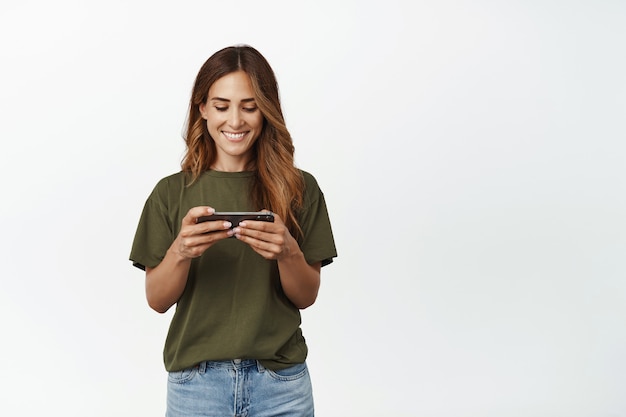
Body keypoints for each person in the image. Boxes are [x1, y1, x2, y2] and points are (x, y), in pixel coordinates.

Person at [129, 45, 337, 417]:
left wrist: (287, 251)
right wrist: (180, 252)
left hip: (281, 385)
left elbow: (306, 296)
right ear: (203, 108)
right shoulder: (170, 193)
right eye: (222, 106)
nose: (236, 121)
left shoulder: (300, 188)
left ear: (267, 110)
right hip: (197, 386)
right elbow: (157, 300)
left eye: (250, 106)